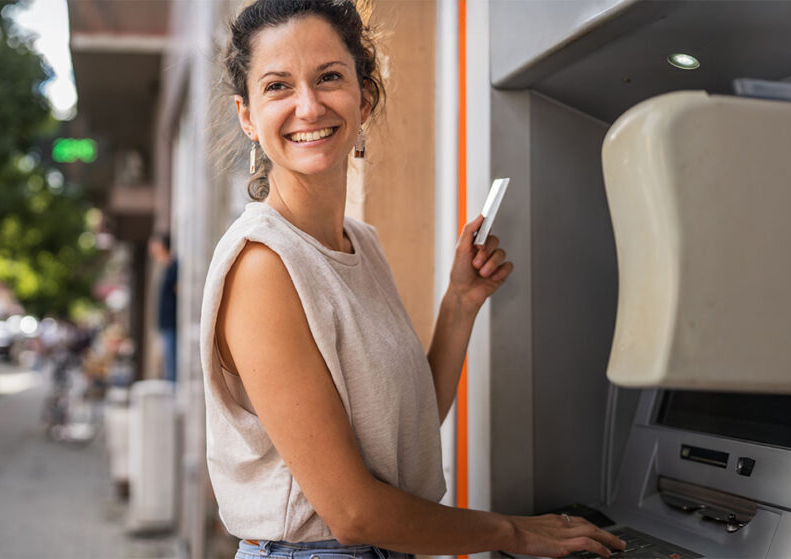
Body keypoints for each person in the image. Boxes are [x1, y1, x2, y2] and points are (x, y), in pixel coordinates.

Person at [199, 1, 628, 558]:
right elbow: (353, 513)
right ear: (248, 116)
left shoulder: (361, 243)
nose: (308, 106)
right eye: (278, 86)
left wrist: (460, 303)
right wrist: (515, 533)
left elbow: (403, 430)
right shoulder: (263, 265)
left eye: (329, 77)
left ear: (363, 98)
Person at [150, 233, 178, 383]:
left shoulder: (174, 267)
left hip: (173, 321)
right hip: (166, 322)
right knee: (167, 360)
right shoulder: (165, 267)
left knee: (172, 360)